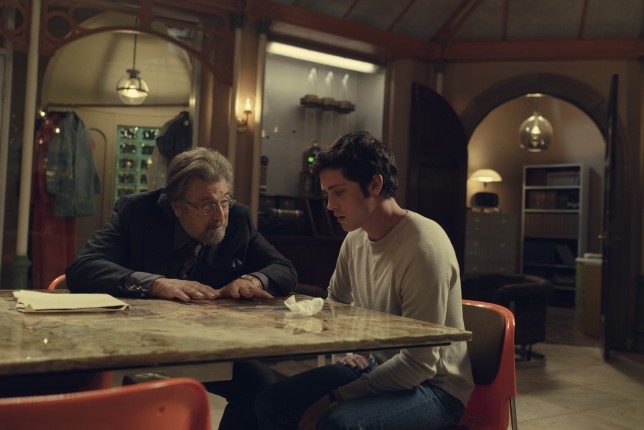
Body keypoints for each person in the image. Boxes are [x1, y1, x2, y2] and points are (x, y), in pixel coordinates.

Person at [66, 146, 298, 430]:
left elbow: (284, 268)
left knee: (260, 384)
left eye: (224, 201)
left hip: (204, 344)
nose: (220, 216)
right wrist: (156, 283)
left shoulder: (238, 219)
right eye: (207, 205)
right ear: (177, 207)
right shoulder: (138, 212)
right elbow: (82, 268)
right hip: (132, 343)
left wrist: (253, 280)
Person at [255, 131, 473, 430]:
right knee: (272, 401)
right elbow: (336, 307)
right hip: (376, 365)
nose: (329, 205)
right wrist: (348, 353)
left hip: (436, 387)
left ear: (374, 184)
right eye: (327, 194)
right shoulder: (355, 239)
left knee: (337, 422)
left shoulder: (424, 246)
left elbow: (420, 363)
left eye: (338, 192)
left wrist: (336, 397)